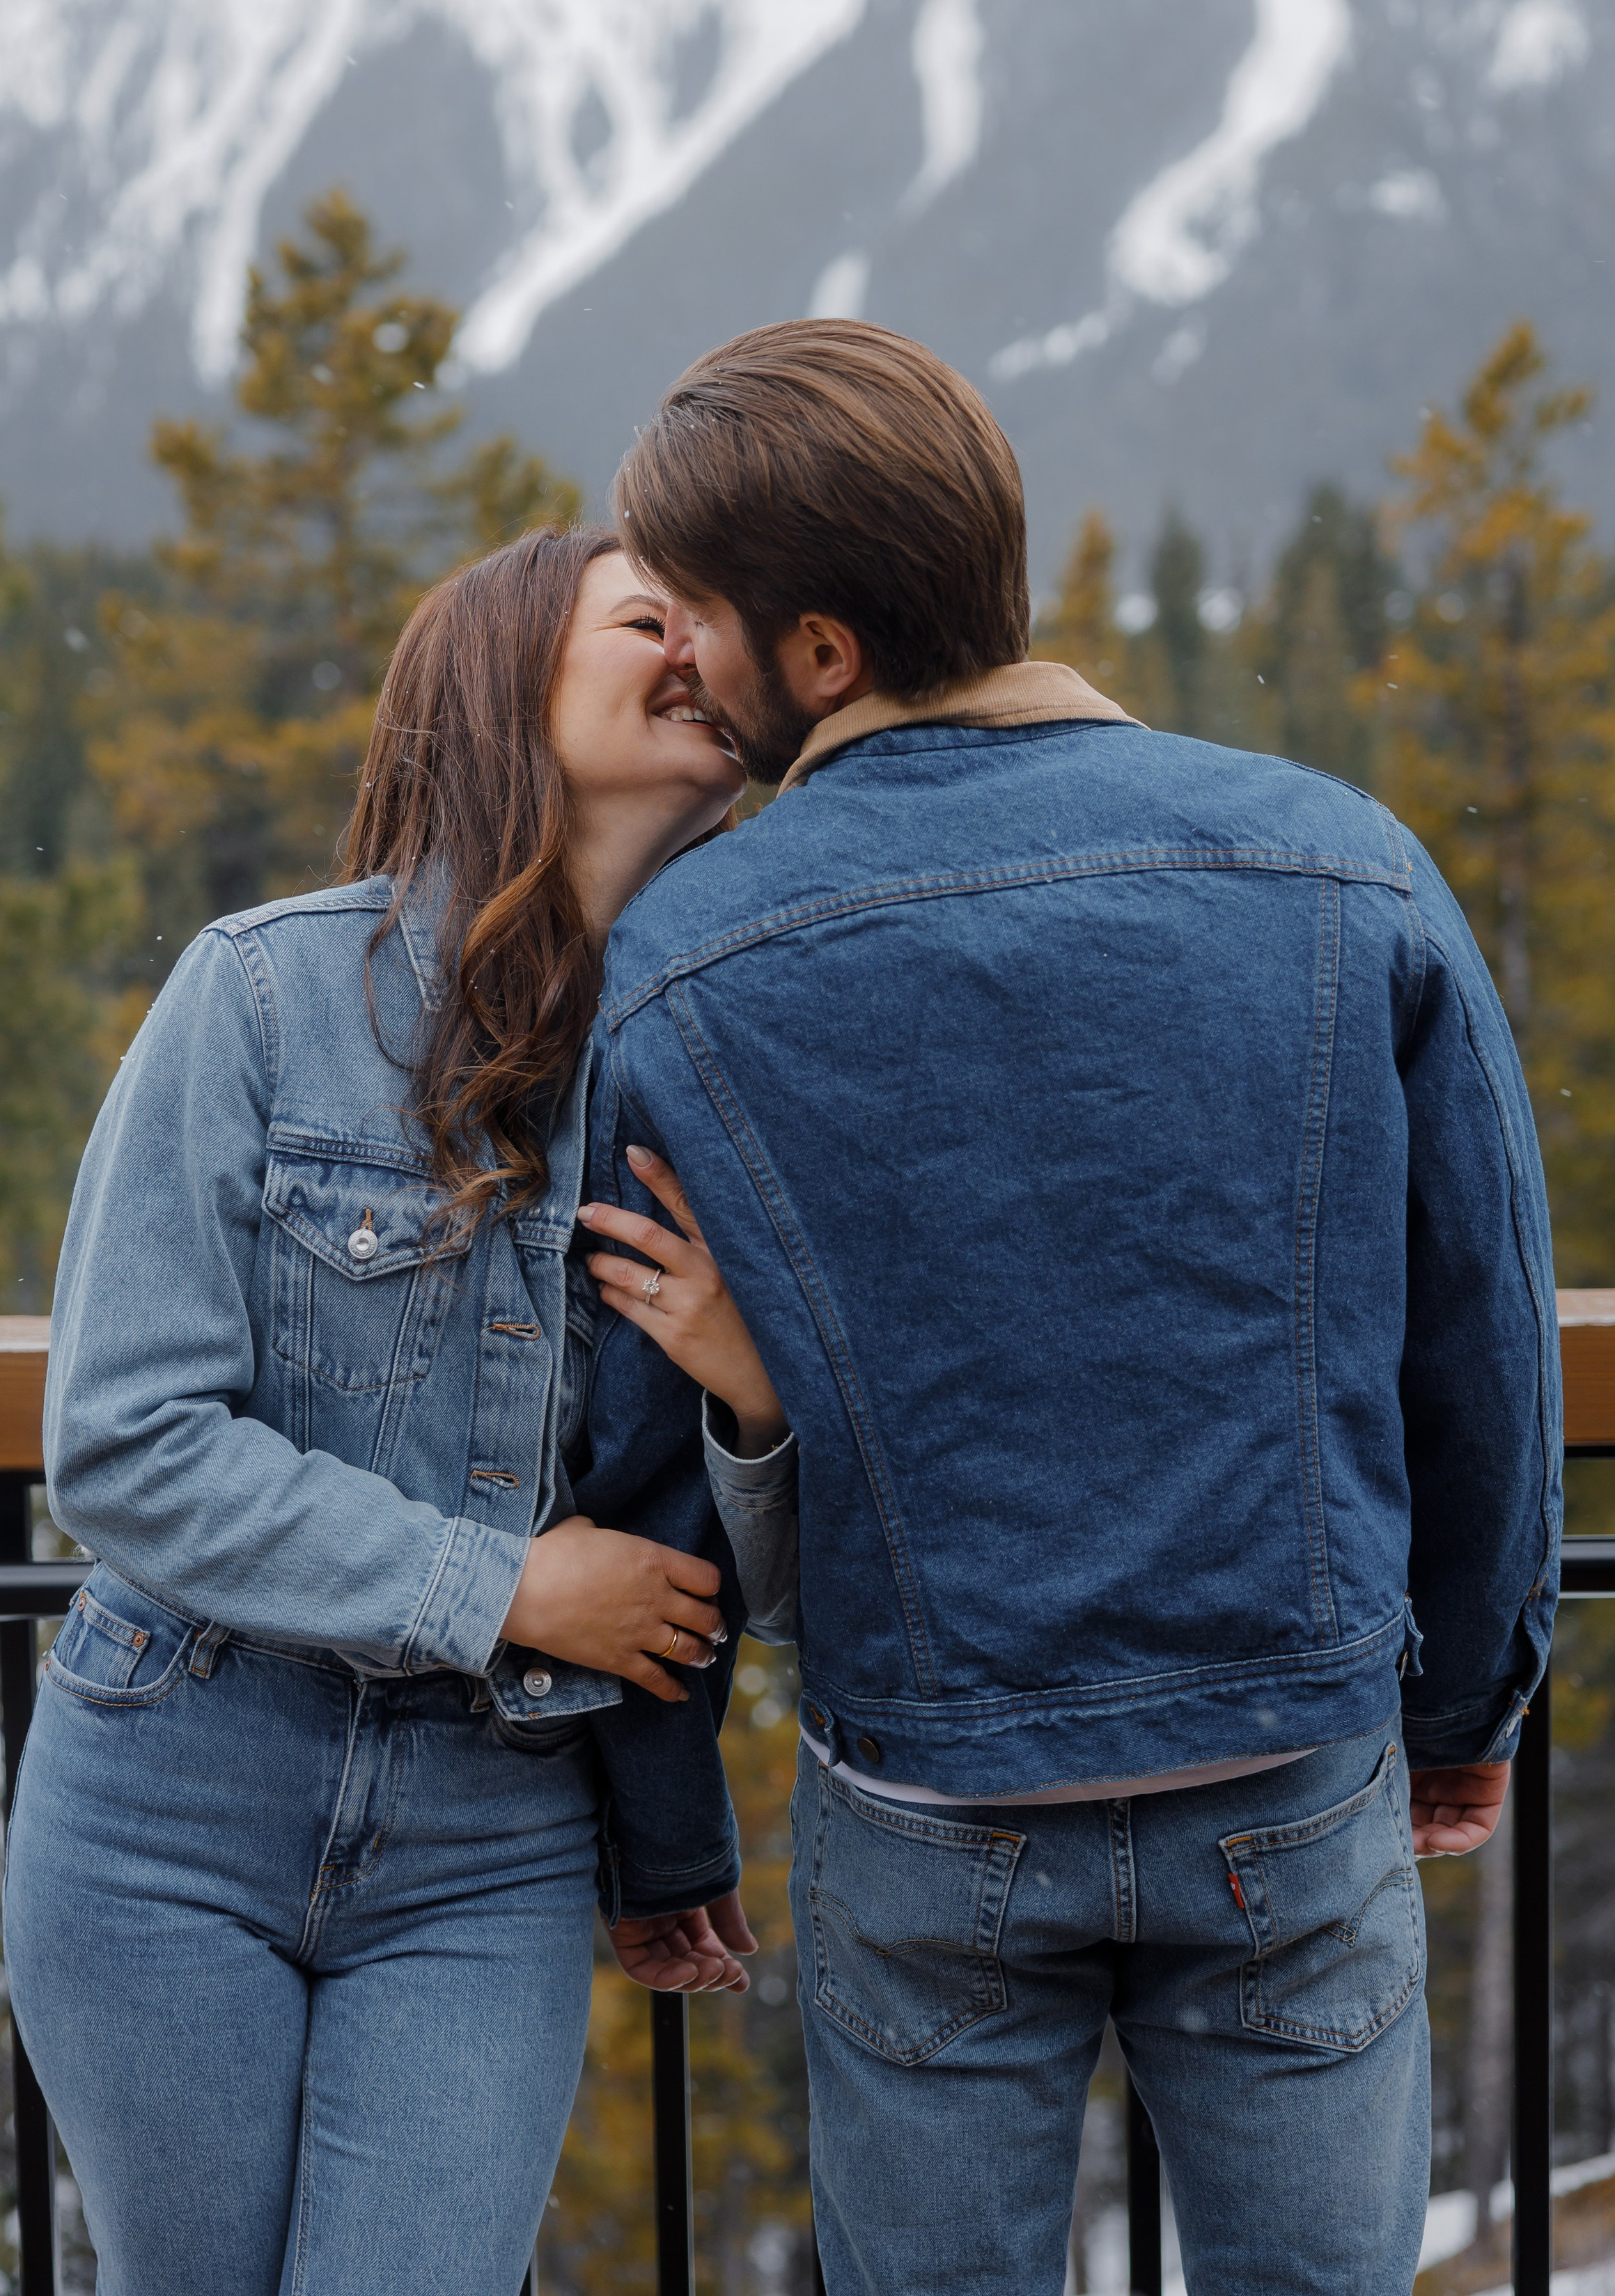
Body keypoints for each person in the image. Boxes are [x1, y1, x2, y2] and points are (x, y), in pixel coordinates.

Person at [571, 320, 1563, 2296]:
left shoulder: (689, 957)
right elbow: (1483, 1336)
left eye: (696, 619)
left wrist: (663, 1824)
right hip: (1285, 1776)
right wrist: (1466, 1698)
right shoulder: (1339, 864)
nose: (676, 658)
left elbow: (632, 1440)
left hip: (936, 1814)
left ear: (826, 653)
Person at [3, 526, 762, 2296]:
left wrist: (753, 1397)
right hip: (170, 1792)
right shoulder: (261, 995)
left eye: (709, 632)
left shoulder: (716, 1055)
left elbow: (727, 1536)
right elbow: (125, 1438)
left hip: (490, 1832)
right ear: (507, 676)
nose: (694, 656)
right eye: (649, 620)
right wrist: (492, 1586)